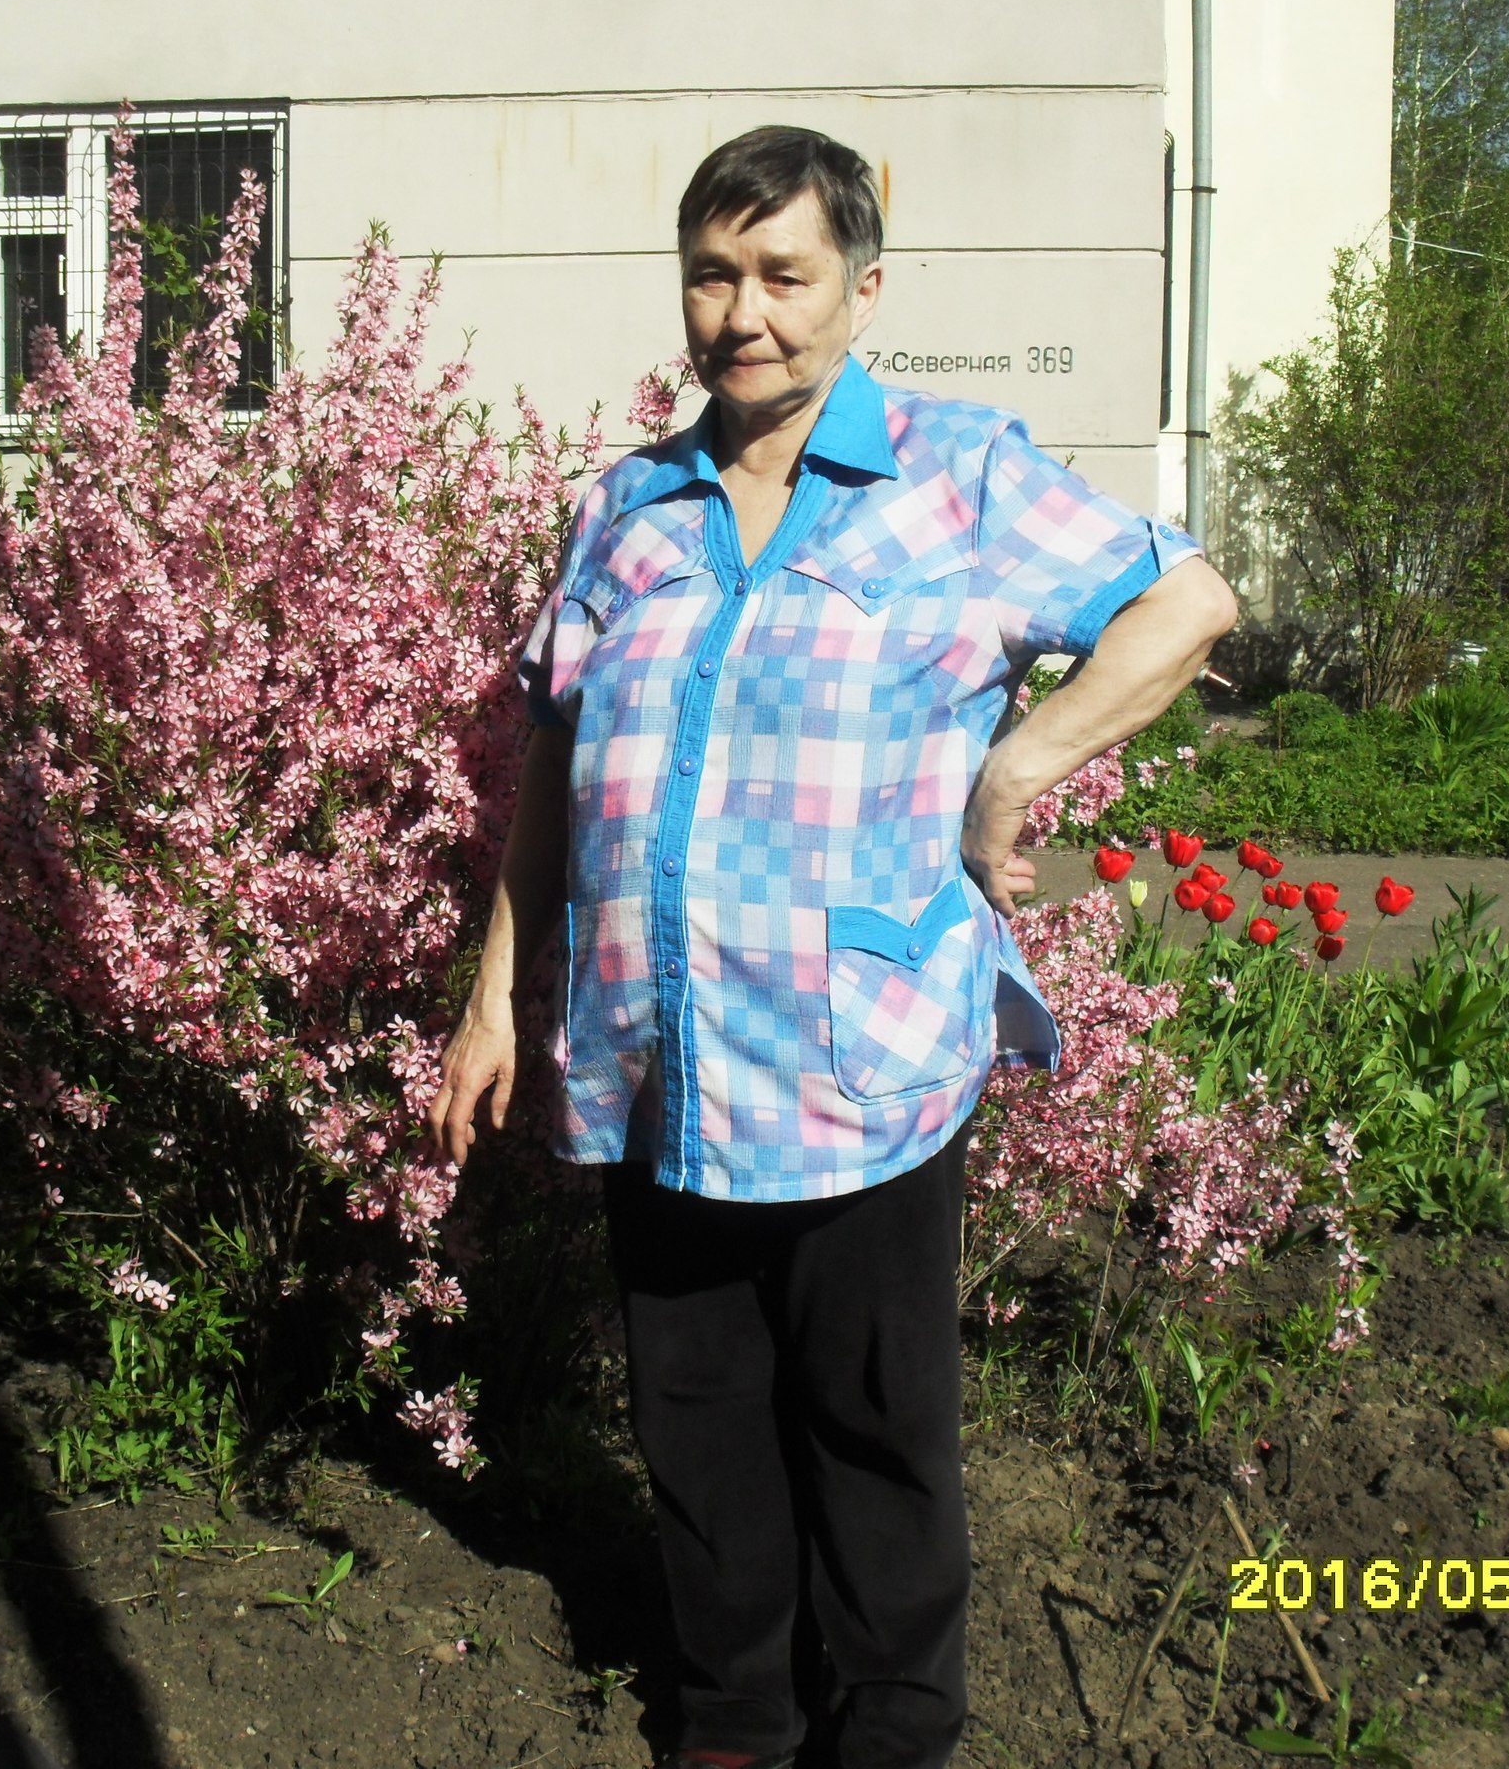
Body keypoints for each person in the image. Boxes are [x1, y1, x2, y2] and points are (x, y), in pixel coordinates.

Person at [429, 126, 1237, 1769]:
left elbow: (1187, 604)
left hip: (859, 1057)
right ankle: (736, 1714)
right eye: (712, 276)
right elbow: (553, 767)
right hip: (660, 1051)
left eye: (784, 276)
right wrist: (494, 997)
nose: (746, 314)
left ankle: (892, 1728)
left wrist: (1017, 771)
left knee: (874, 1423)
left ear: (865, 289)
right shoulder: (627, 508)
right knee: (696, 1413)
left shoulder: (960, 476)